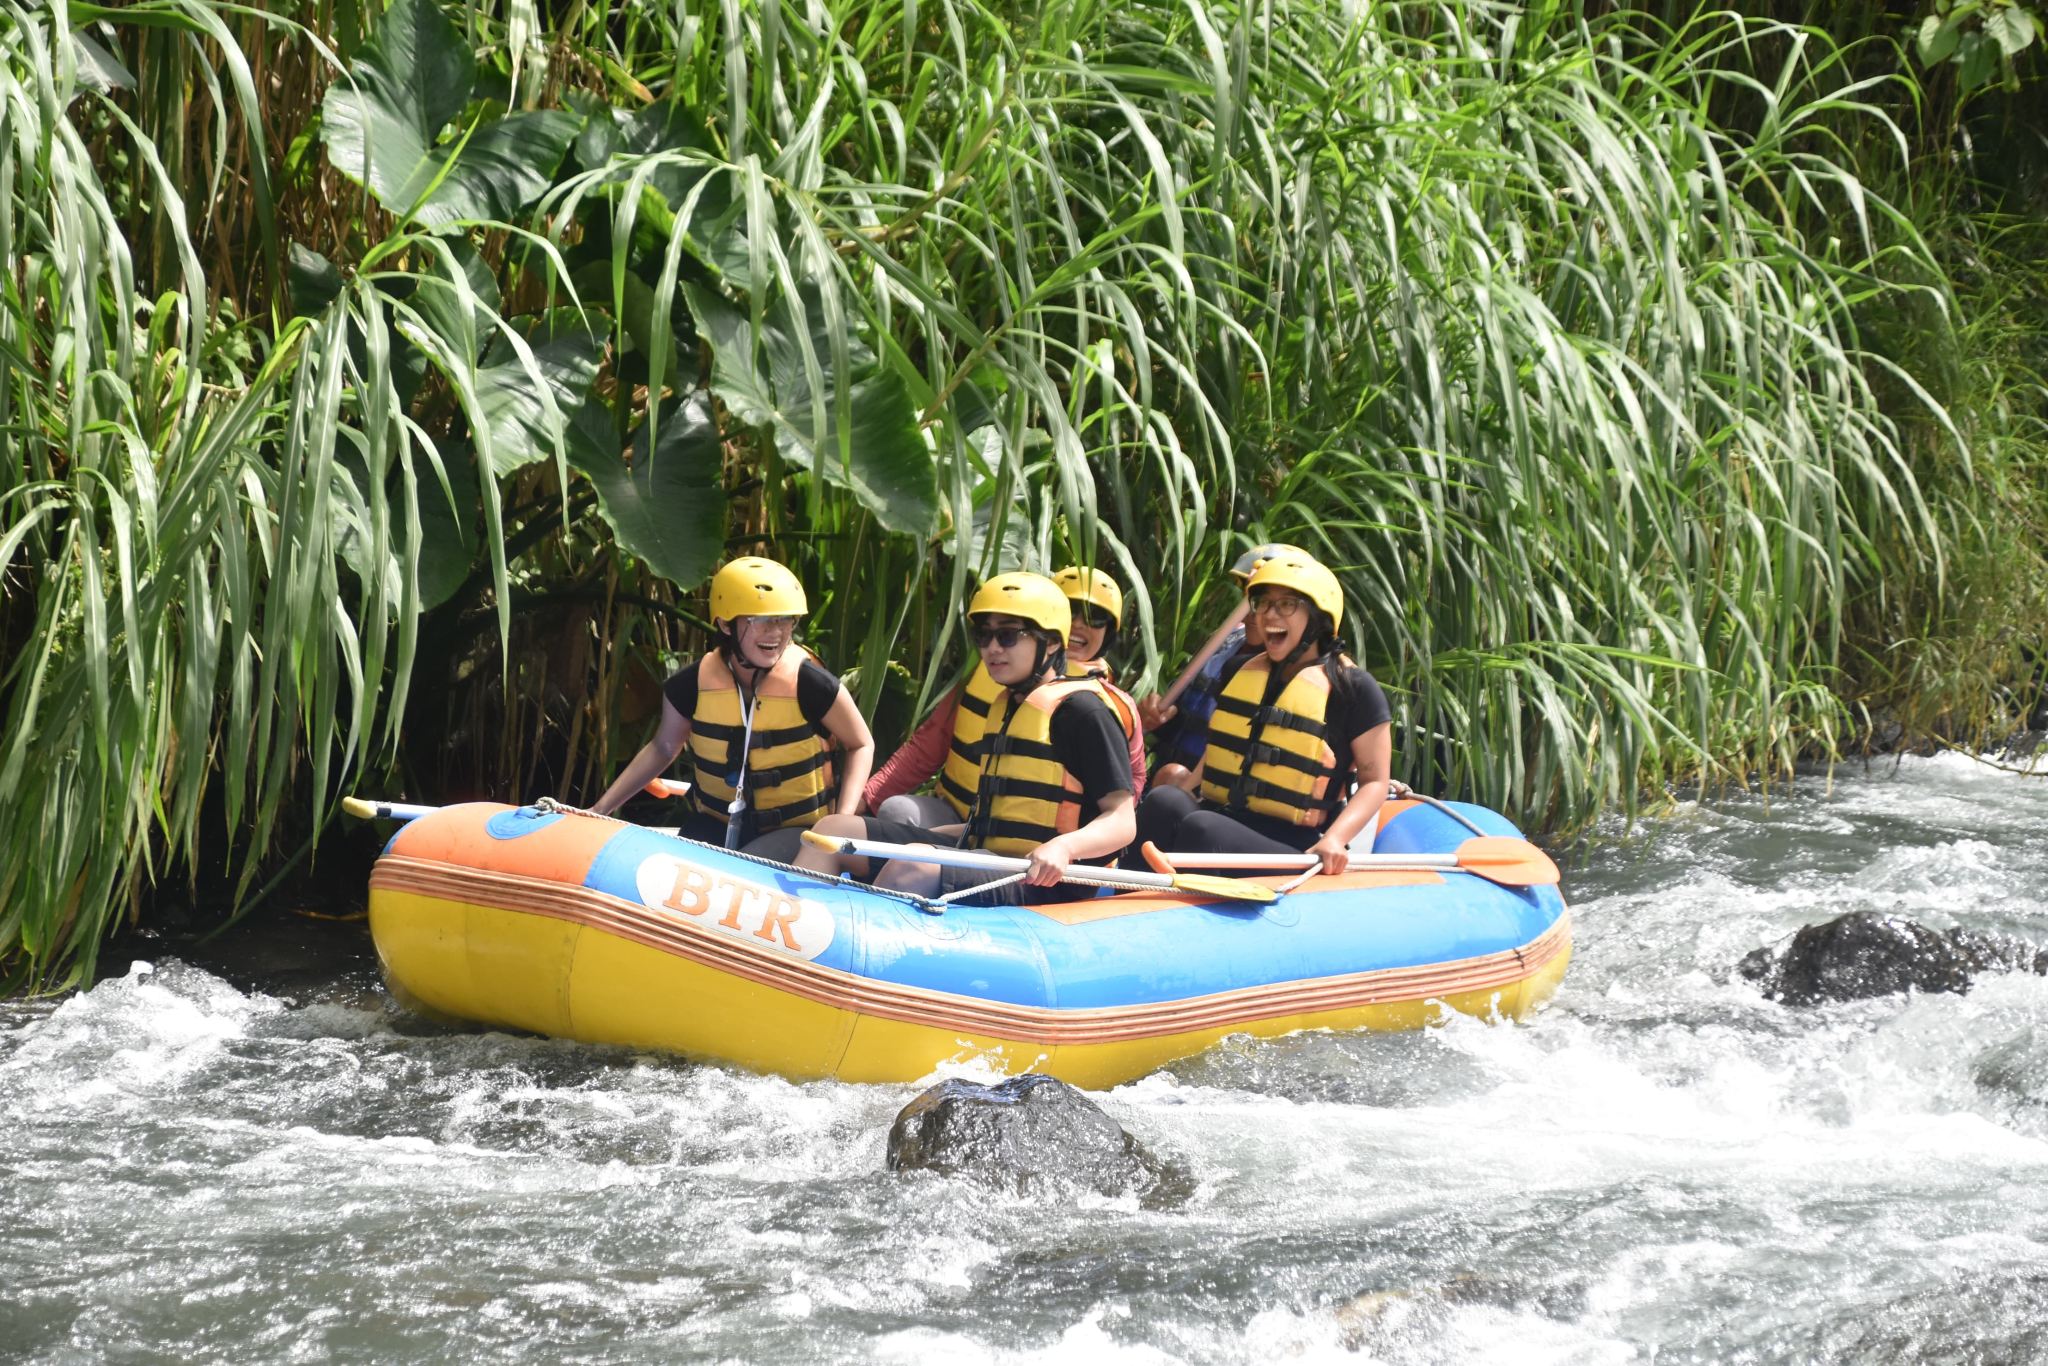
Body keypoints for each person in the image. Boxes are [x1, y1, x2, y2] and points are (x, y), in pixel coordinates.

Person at [796, 573, 1136, 904]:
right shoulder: (1009, 704)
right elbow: (1001, 820)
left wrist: (1064, 847)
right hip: (988, 856)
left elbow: (1122, 821)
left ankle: (857, 936)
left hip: (1043, 877)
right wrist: (933, 837)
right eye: (984, 636)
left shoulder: (1083, 712)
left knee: (914, 864)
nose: (992, 648)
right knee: (832, 831)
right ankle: (795, 925)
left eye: (1008, 636)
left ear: (1050, 643)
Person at [591, 556, 874, 860]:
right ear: (726, 624)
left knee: (749, 857)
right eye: (760, 620)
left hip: (796, 831)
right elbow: (663, 747)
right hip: (717, 822)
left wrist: (839, 823)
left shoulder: (811, 684)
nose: (776, 632)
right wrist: (600, 809)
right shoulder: (690, 685)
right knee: (683, 853)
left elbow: (860, 744)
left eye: (785, 619)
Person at [1132, 551, 1390, 876]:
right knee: (1164, 802)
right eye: (1263, 603)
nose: (1269, 614)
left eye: (1286, 604)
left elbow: (1375, 781)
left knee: (1203, 829)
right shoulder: (1238, 670)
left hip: (1293, 844)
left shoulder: (1353, 688)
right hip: (1222, 815)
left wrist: (1335, 840)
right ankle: (1124, 899)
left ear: (1318, 618)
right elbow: (1227, 744)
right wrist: (1186, 788)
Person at [863, 564, 1143, 827]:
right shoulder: (990, 670)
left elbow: (1126, 787)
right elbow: (929, 743)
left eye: (1095, 617)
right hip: (956, 816)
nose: (1078, 624)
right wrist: (867, 800)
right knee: (897, 811)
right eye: (1069, 611)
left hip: (1034, 840)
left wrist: (1074, 844)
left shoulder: (1104, 706)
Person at [1139, 542, 1305, 789]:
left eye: (1279, 604)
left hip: (1225, 794)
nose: (1255, 613)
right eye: (1254, 598)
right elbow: (1182, 723)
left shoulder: (1296, 672)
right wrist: (1154, 716)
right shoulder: (1224, 643)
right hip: (1167, 783)